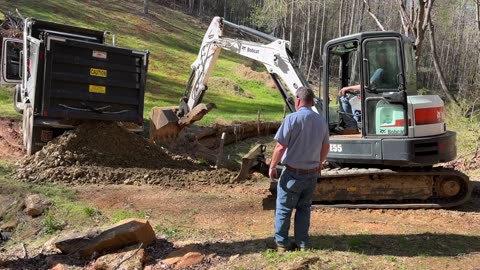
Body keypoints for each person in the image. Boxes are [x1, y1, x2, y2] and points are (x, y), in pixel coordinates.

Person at [269, 86, 330, 252]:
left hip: (292, 173)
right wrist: (319, 163)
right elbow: (325, 147)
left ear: (297, 100)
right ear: (311, 102)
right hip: (311, 174)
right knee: (304, 208)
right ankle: (302, 242)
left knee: (284, 208)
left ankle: (281, 242)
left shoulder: (291, 119)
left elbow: (280, 146)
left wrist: (273, 165)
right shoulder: (321, 121)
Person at [337, 50, 387, 134]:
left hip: (373, 99)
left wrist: (347, 88)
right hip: (377, 97)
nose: (377, 59)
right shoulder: (385, 70)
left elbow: (366, 85)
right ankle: (358, 123)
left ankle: (352, 126)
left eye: (378, 57)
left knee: (344, 98)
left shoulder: (379, 71)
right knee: (354, 98)